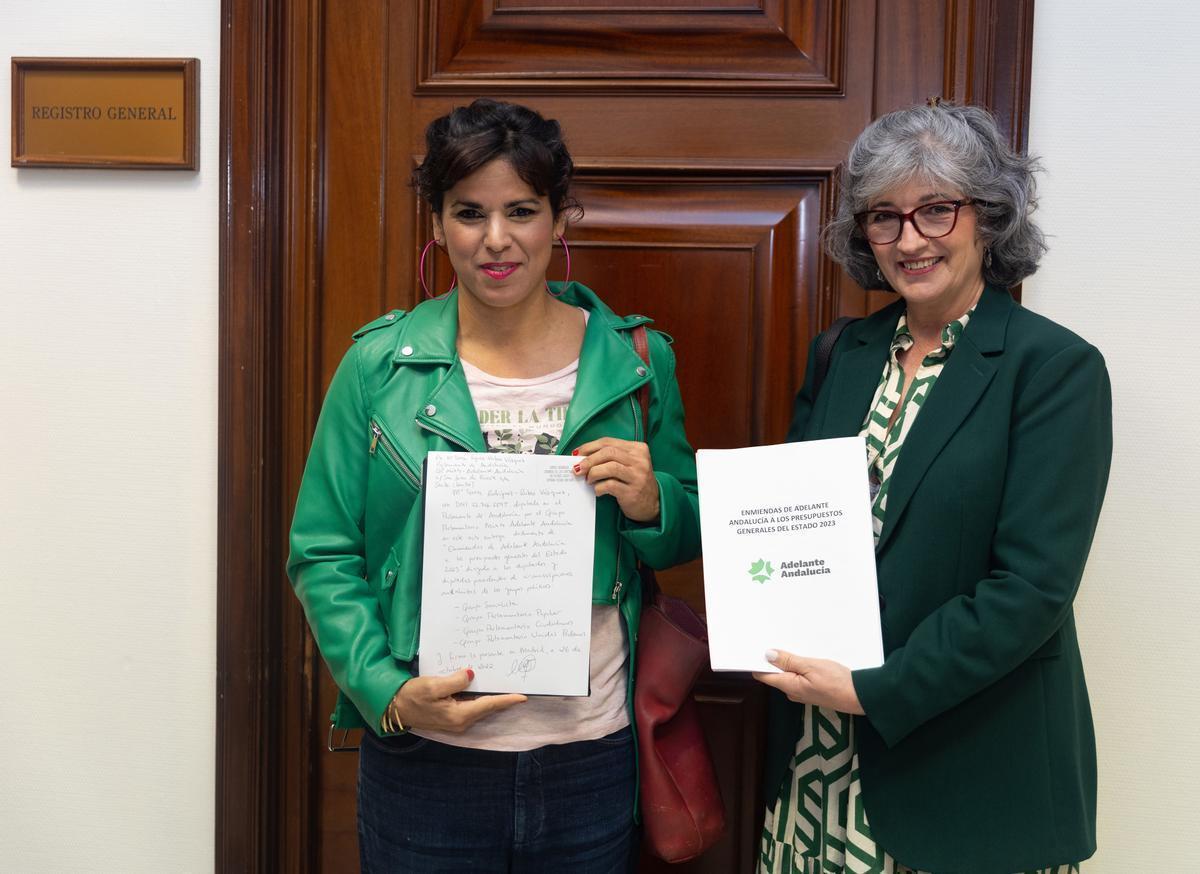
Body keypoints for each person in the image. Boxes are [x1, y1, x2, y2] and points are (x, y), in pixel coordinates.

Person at [287, 98, 700, 872]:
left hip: (591, 756)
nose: (497, 240)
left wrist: (654, 502)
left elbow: (684, 533)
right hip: (427, 762)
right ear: (437, 225)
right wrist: (386, 692)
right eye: (469, 213)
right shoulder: (378, 368)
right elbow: (322, 551)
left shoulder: (638, 361)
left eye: (522, 210)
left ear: (559, 219)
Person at [754, 101, 1112, 874]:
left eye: (935, 211)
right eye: (884, 216)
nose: (909, 239)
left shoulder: (1052, 370)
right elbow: (789, 530)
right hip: (819, 763)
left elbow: (1032, 589)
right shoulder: (839, 354)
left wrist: (876, 688)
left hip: (966, 775)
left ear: (989, 216)